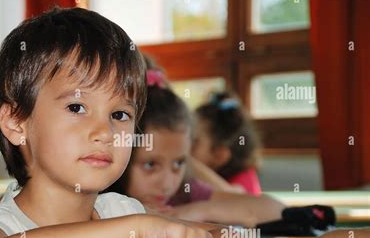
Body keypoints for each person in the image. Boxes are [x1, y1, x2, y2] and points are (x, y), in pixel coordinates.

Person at [0, 7, 221, 238]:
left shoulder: (119, 212)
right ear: (16, 123)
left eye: (119, 115)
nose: (104, 132)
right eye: (76, 107)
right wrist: (138, 230)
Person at [105, 66, 285, 228]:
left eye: (178, 164)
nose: (167, 184)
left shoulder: (185, 192)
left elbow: (277, 209)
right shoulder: (100, 203)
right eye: (150, 165)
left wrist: (201, 210)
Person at [193, 91, 263, 195]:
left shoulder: (243, 181)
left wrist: (184, 160)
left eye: (193, 143)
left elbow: (230, 196)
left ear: (219, 155)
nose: (183, 145)